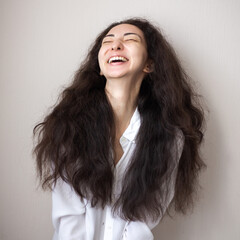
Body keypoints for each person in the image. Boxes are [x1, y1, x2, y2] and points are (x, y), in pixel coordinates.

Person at [33, 18, 205, 240]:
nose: (115, 45)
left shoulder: (170, 137)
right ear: (100, 68)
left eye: (130, 39)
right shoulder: (69, 125)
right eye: (108, 41)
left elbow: (142, 221)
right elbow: (69, 219)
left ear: (149, 64)